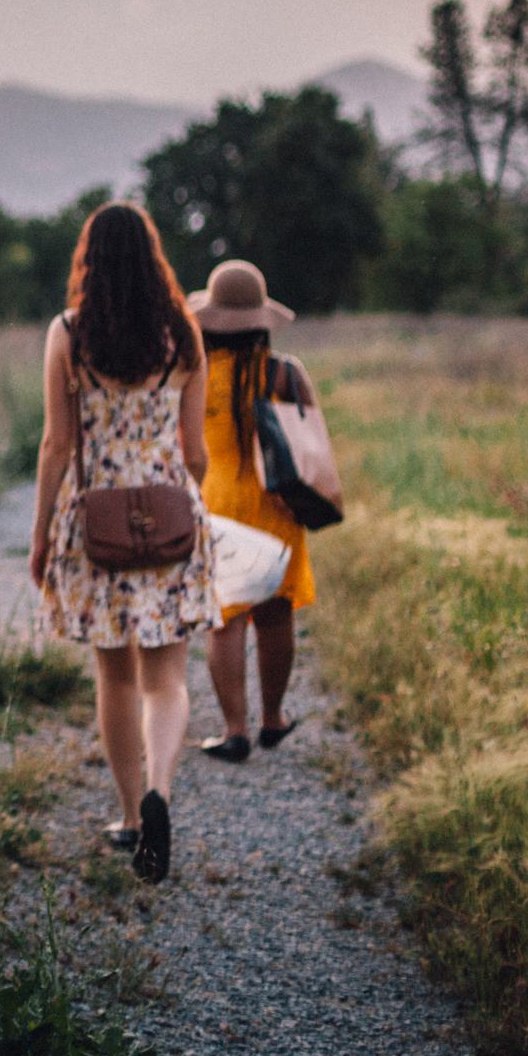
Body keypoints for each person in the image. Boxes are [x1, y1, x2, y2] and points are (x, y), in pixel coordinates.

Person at [29, 201, 211, 885]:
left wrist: (43, 531)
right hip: (170, 516)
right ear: (154, 254)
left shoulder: (70, 333)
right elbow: (194, 451)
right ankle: (161, 787)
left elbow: (56, 443)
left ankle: (132, 814)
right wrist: (178, 500)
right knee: (167, 678)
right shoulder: (185, 335)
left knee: (115, 674)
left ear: (89, 259)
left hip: (96, 522)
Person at [187, 260, 315, 762]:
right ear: (262, 320)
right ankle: (273, 718)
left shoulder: (196, 377)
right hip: (276, 502)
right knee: (276, 617)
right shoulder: (286, 372)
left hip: (217, 503)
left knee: (226, 621)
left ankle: (234, 729)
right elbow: (312, 442)